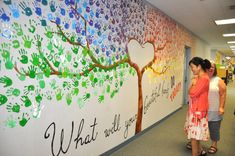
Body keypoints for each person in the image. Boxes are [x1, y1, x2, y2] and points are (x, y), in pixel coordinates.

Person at [184, 57, 211, 156]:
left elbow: (193, 93)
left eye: (193, 67)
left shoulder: (204, 78)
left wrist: (193, 85)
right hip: (194, 109)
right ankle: (200, 151)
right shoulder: (198, 77)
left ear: (199, 66)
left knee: (194, 137)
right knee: (196, 134)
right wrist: (193, 85)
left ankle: (196, 153)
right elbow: (189, 91)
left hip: (198, 111)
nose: (192, 69)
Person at [206, 61, 226, 154]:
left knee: (214, 128)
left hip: (214, 109)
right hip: (202, 109)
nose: (210, 68)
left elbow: (223, 94)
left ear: (215, 69)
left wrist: (221, 107)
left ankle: (214, 144)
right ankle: (195, 143)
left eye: (212, 67)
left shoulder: (219, 80)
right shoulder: (201, 78)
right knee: (199, 127)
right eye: (209, 66)